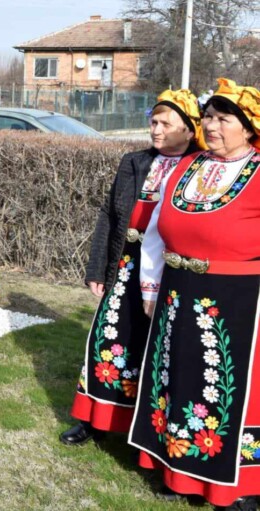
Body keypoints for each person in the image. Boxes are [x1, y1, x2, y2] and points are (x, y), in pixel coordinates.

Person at [129, 78, 260, 511]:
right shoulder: (188, 166)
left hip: (239, 297)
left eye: (224, 119)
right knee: (179, 378)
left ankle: (239, 484)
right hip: (177, 290)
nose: (212, 126)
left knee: (229, 387)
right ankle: (178, 469)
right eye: (208, 117)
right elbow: (154, 231)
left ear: (249, 126)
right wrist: (150, 285)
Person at [62, 89, 203, 446]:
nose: (155, 130)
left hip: (169, 271)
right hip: (127, 266)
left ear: (189, 130)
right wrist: (98, 268)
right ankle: (94, 419)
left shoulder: (200, 166)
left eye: (165, 124)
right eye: (153, 122)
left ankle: (148, 430)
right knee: (111, 338)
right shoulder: (135, 162)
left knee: (157, 348)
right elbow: (110, 215)